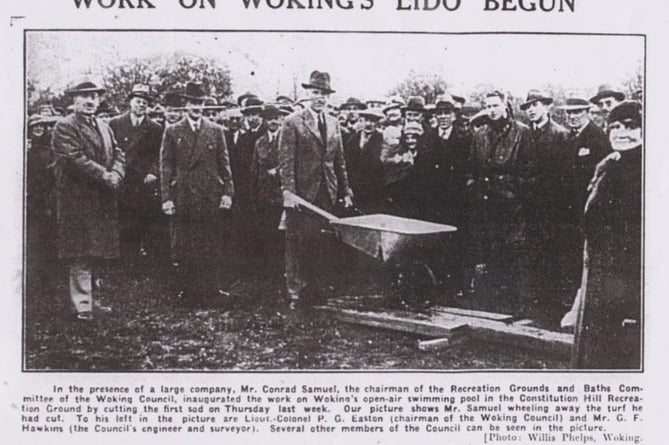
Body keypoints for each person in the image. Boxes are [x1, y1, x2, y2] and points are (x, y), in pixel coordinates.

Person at [571, 101, 642, 369]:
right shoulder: (610, 165)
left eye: (631, 126)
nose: (622, 133)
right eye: (615, 126)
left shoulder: (647, 171)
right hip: (599, 273)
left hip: (628, 278)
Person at [51, 81, 126, 321]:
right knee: (80, 251)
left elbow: (118, 152)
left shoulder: (104, 126)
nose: (90, 101)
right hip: (78, 199)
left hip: (102, 199)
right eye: (85, 96)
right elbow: (74, 158)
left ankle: (94, 301)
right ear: (74, 100)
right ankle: (82, 304)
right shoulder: (65, 126)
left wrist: (117, 172)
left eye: (94, 96)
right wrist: (104, 175)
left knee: (98, 250)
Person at [279, 70, 353, 306]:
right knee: (300, 242)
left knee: (322, 243)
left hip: (327, 192)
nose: (319, 98)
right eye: (315, 93)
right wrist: (289, 193)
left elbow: (339, 161)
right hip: (302, 194)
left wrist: (346, 191)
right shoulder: (292, 122)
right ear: (307, 94)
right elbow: (286, 161)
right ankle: (296, 292)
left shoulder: (333, 123)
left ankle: (315, 289)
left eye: (324, 94)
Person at [159, 81, 234, 304]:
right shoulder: (172, 131)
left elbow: (225, 165)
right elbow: (165, 167)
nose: (197, 107)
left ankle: (211, 289)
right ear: (186, 104)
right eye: (193, 103)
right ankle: (187, 291)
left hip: (209, 194)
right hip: (183, 194)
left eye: (200, 103)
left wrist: (228, 193)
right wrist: (166, 198)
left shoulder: (216, 130)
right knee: (186, 243)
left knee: (210, 242)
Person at [466, 91, 535, 313]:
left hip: (512, 206)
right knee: (491, 252)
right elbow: (472, 167)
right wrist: (475, 187)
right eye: (488, 106)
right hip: (486, 205)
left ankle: (519, 305)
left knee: (514, 252)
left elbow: (530, 171)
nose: (492, 110)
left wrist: (512, 191)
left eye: (495, 105)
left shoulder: (521, 133)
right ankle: (494, 304)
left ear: (505, 105)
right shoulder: (480, 134)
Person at [520, 89, 569, 312]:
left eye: (535, 105)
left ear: (547, 107)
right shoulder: (524, 134)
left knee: (554, 257)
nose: (531, 109)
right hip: (529, 207)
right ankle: (535, 306)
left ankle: (554, 307)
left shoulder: (561, 134)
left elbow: (565, 176)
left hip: (554, 209)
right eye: (528, 106)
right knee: (532, 255)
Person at [109, 84, 164, 264]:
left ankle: (137, 259)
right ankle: (123, 258)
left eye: (145, 102)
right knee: (122, 218)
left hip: (143, 181)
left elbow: (161, 155)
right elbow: (109, 151)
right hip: (122, 179)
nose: (141, 105)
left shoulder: (155, 128)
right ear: (130, 102)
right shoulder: (115, 123)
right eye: (138, 101)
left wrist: (154, 172)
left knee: (141, 219)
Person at [249, 104, 287, 277]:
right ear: (265, 121)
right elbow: (255, 169)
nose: (273, 122)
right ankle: (269, 272)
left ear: (281, 120)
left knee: (283, 235)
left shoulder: (287, 138)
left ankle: (283, 271)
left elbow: (293, 162)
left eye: (276, 118)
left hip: (282, 195)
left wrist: (278, 170)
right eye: (269, 119)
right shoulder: (260, 142)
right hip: (264, 196)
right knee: (267, 233)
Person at [26, 114, 58, 296]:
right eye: (35, 127)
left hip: (49, 198)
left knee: (49, 239)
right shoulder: (26, 151)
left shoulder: (51, 150)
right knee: (34, 240)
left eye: (42, 127)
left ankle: (49, 280)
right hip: (33, 200)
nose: (39, 129)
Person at [343, 108, 386, 213]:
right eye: (366, 120)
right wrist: (346, 190)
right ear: (360, 121)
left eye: (372, 121)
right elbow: (345, 165)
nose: (369, 124)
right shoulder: (351, 139)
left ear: (377, 123)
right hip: (354, 191)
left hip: (374, 192)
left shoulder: (382, 140)